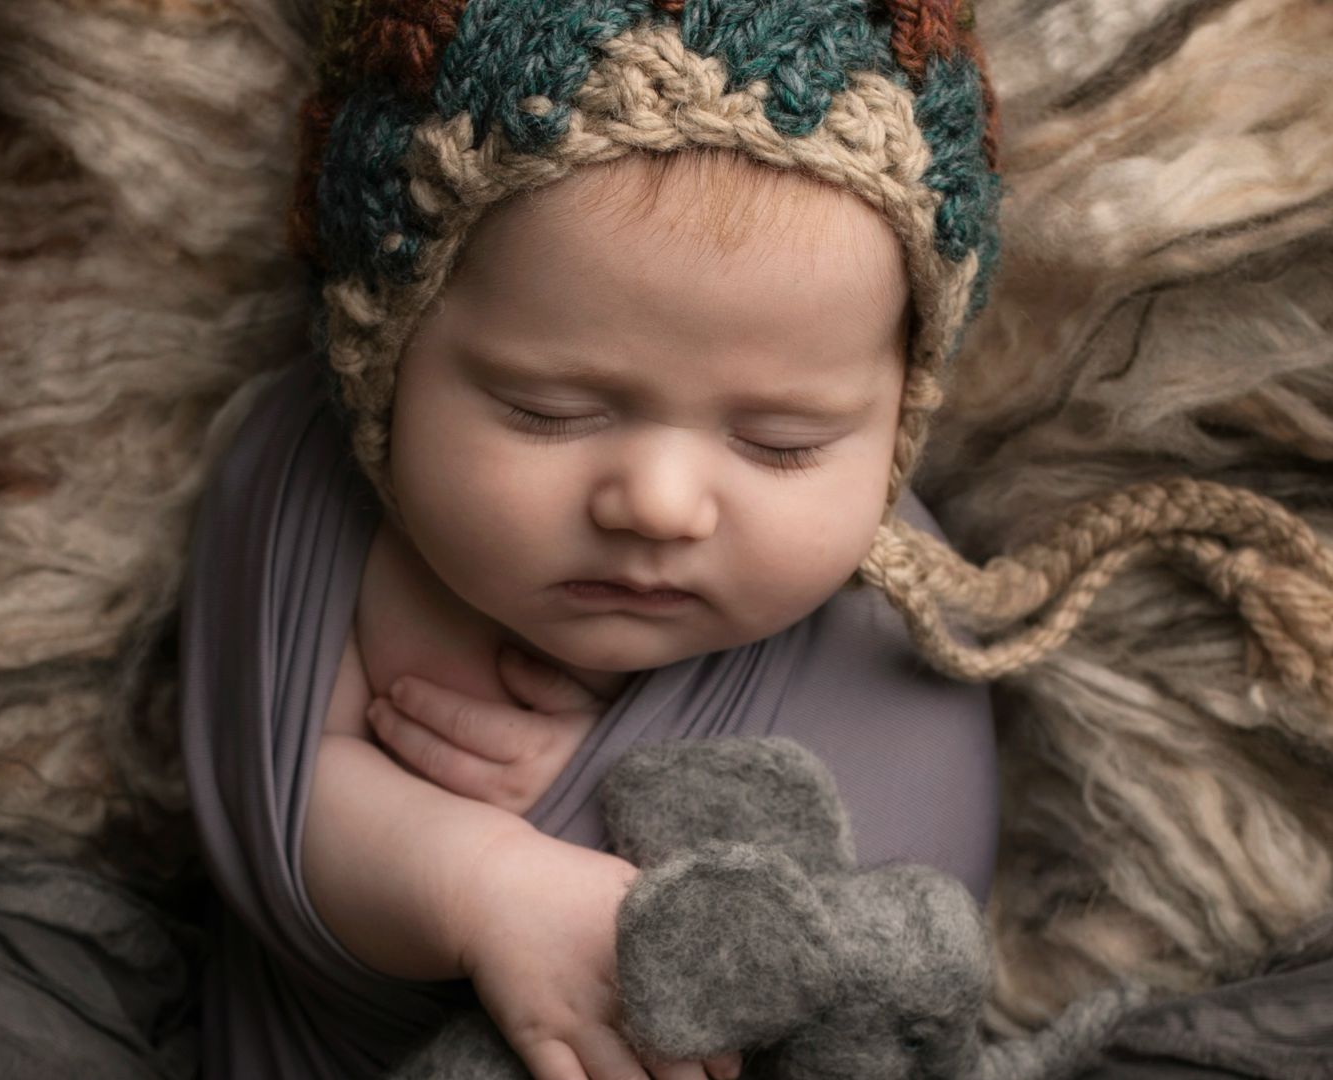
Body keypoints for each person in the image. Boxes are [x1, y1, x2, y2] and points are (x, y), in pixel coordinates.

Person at [178, 3, 1004, 1079]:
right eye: (546, 410)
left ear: (901, 415)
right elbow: (271, 809)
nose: (658, 504)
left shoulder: (888, 644)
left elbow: (893, 960)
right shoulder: (314, 507)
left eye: (780, 440)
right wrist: (483, 882)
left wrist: (620, 804)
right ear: (380, 358)